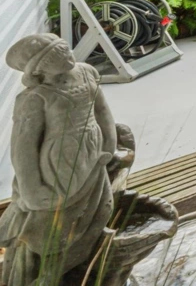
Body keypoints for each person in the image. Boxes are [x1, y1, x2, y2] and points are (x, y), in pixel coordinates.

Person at [0, 34, 121, 286]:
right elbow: (23, 149)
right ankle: (46, 273)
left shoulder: (86, 73)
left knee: (99, 209)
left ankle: (84, 263)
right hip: (60, 165)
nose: (68, 56)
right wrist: (33, 190)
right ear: (39, 68)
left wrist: (109, 144)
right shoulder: (35, 98)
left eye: (66, 50)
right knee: (55, 223)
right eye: (57, 56)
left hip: (93, 155)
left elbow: (101, 110)